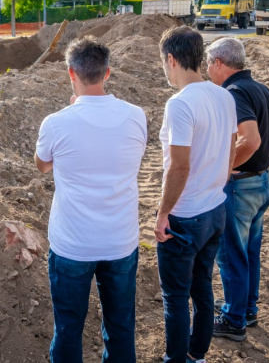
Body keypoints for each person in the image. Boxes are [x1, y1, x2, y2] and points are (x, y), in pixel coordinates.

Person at [35, 36, 147, 363]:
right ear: (107, 72)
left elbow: (42, 165)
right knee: (121, 328)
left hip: (72, 245)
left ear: (71, 73)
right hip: (120, 243)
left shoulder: (56, 124)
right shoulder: (136, 116)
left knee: (68, 328)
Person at [155, 26, 237, 363]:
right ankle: (197, 355)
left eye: (164, 62)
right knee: (202, 287)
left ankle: (176, 359)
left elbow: (178, 167)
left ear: (172, 59)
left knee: (175, 297)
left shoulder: (180, 104)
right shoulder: (224, 95)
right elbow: (231, 149)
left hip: (185, 216)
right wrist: (216, 182)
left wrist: (162, 214)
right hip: (216, 208)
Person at [206, 38, 269, 341]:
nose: (206, 70)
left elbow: (250, 139)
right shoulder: (259, 87)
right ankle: (246, 308)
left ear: (218, 62)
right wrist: (261, 155)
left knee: (230, 255)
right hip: (261, 182)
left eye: (208, 63)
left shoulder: (234, 92)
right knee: (249, 252)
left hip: (240, 187)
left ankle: (233, 319)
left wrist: (225, 167)